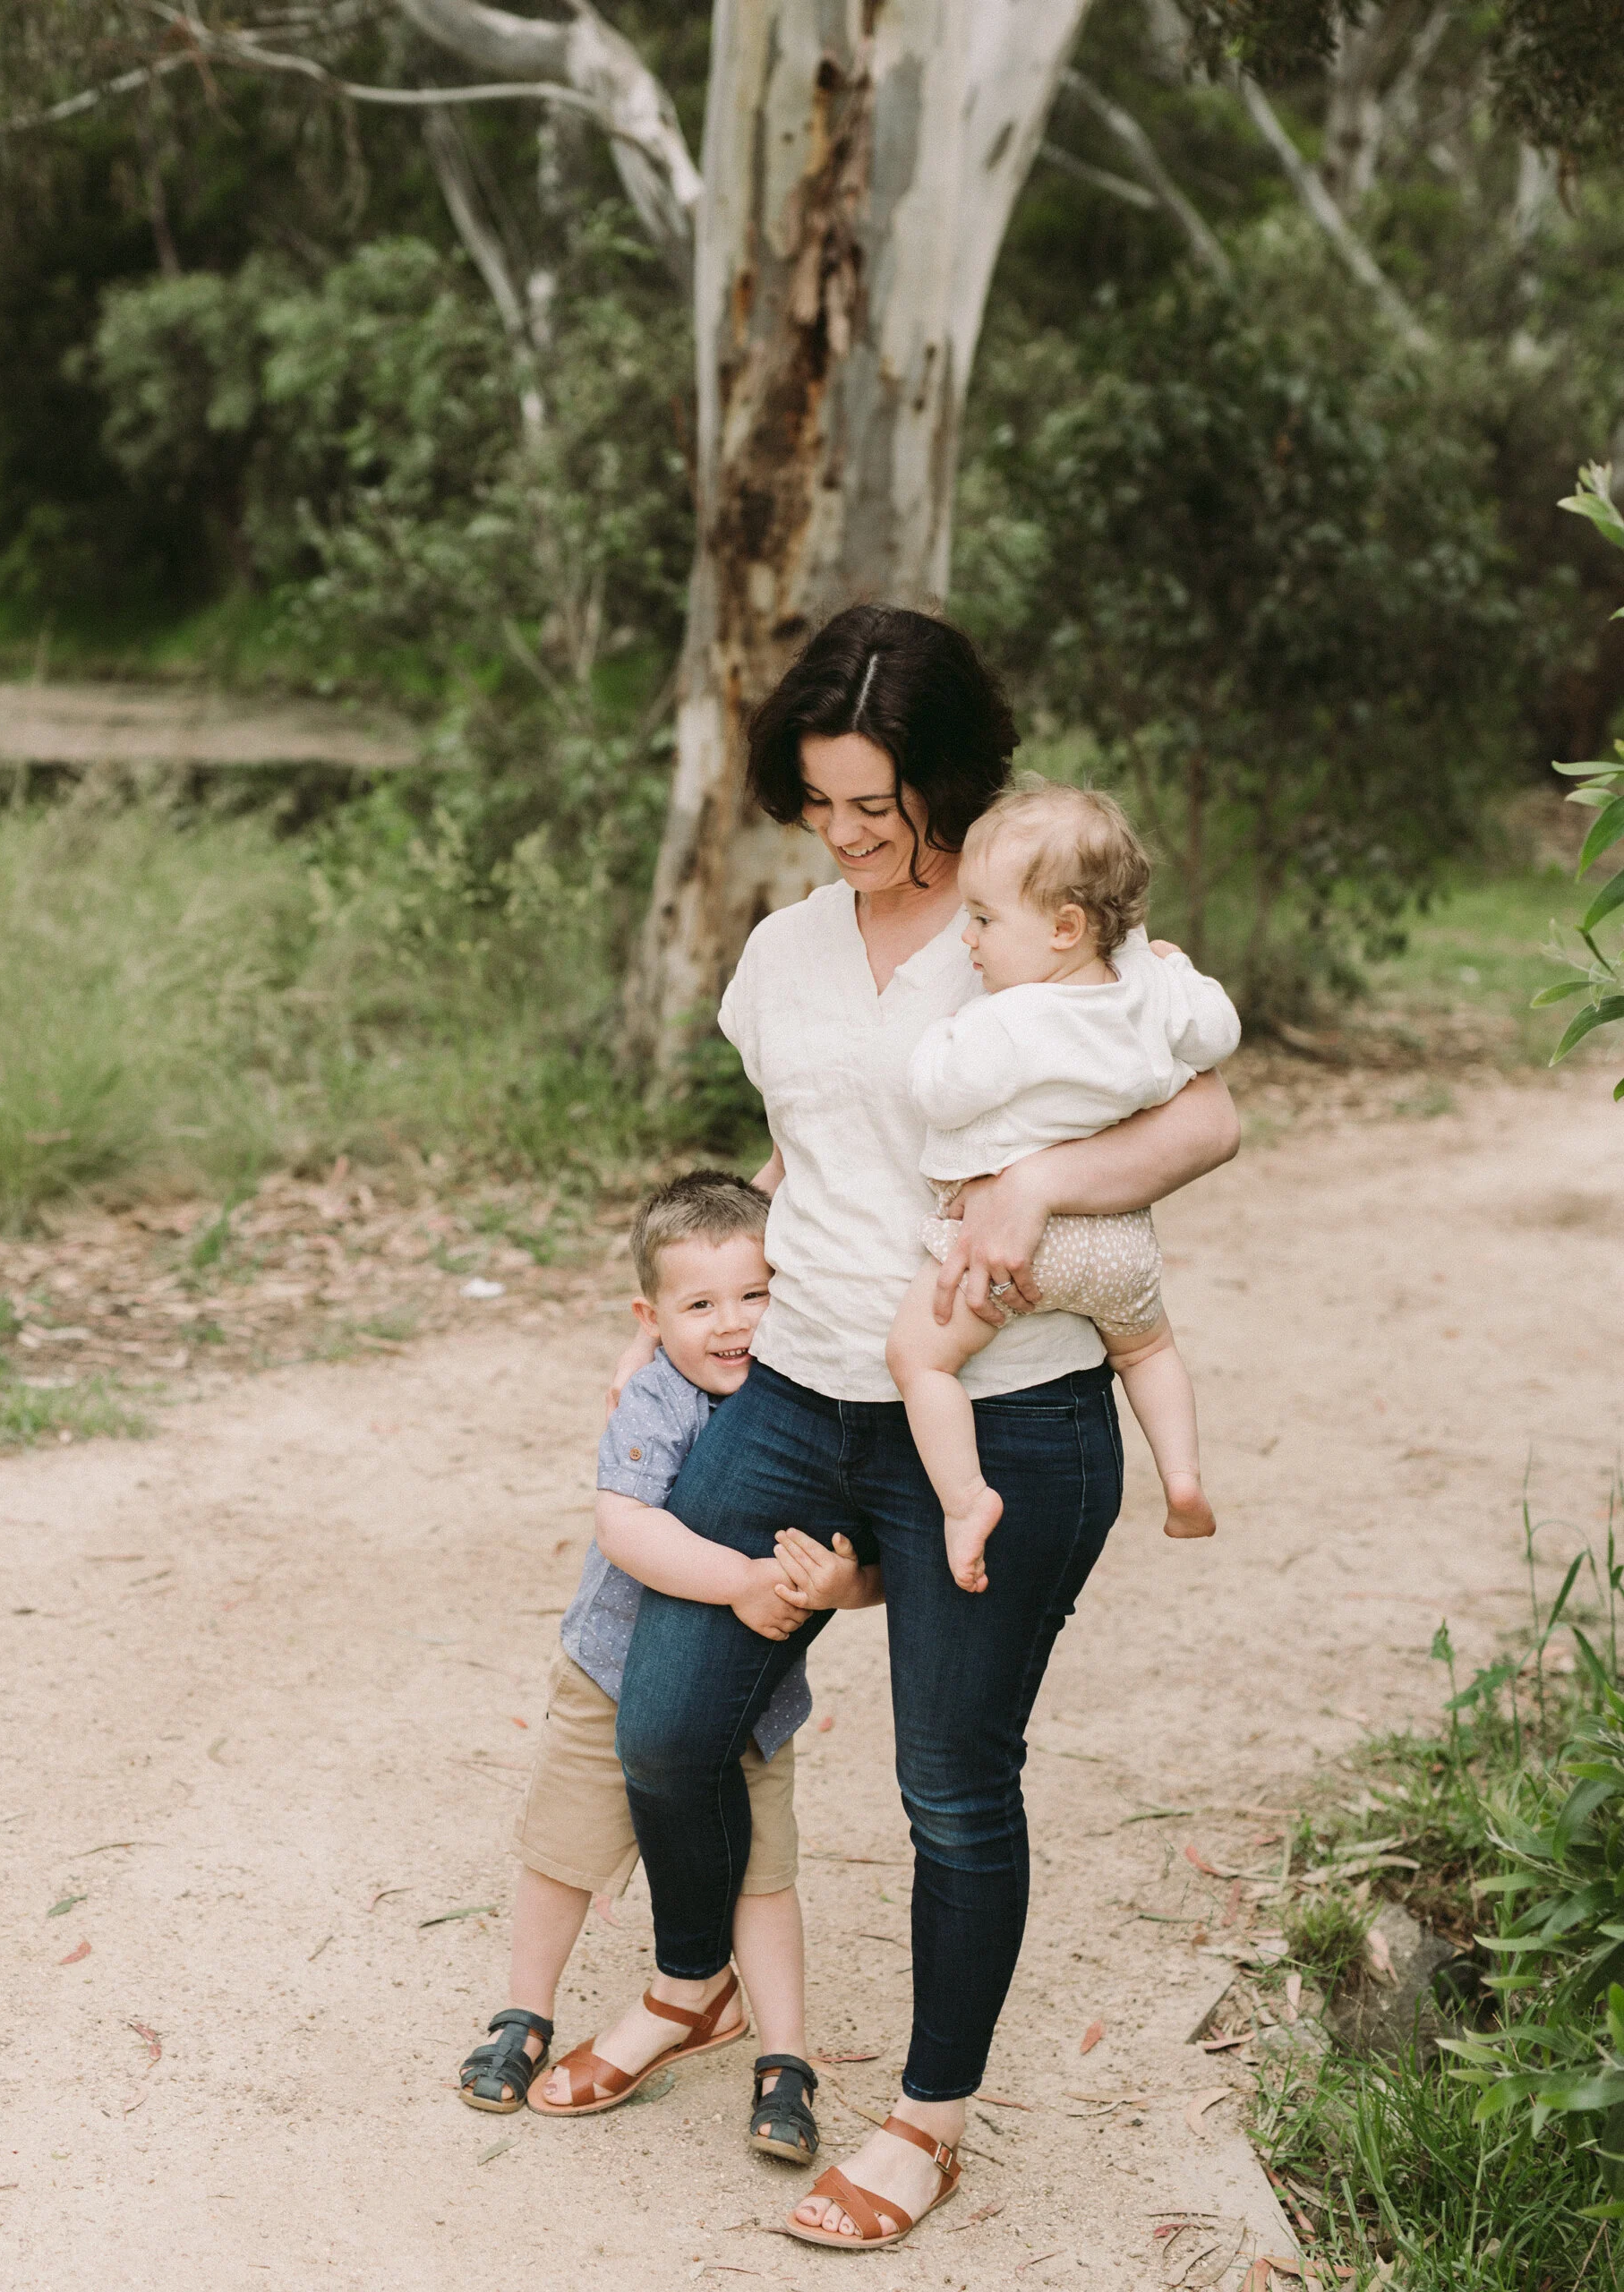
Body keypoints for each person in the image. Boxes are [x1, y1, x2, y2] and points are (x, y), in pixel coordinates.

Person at [579, 606, 1238, 2251]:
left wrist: (1037, 1181)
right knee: (664, 1719)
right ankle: (694, 1981)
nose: (852, 836)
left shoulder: (1040, 927)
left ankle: (925, 2122)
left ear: (950, 782)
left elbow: (1207, 1115)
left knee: (951, 1782)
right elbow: (804, 1153)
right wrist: (666, 1329)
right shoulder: (784, 953)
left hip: (1004, 1415)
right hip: (796, 1381)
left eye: (881, 804)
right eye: (820, 804)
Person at [454, 1170, 879, 2166]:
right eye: (699, 1305)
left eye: (755, 1295)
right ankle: (523, 2010)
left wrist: (838, 1581)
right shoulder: (656, 1393)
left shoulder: (809, 1407)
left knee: (762, 1871)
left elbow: (862, 1560)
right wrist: (737, 1578)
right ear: (649, 1317)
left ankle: (782, 2054)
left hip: (749, 1692)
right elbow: (626, 1526)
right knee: (563, 1844)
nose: (731, 1325)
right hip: (610, 1663)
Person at [886, 778, 1240, 1594]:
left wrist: (939, 1037)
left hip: (1010, 1246)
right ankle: (1182, 1479)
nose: (967, 938)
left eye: (982, 919)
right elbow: (1217, 1033)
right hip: (1116, 1236)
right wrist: (1178, 972)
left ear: (1063, 928)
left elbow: (937, 1093)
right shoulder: (1145, 986)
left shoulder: (1005, 1022)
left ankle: (965, 1500)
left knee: (919, 1360)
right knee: (1148, 1347)